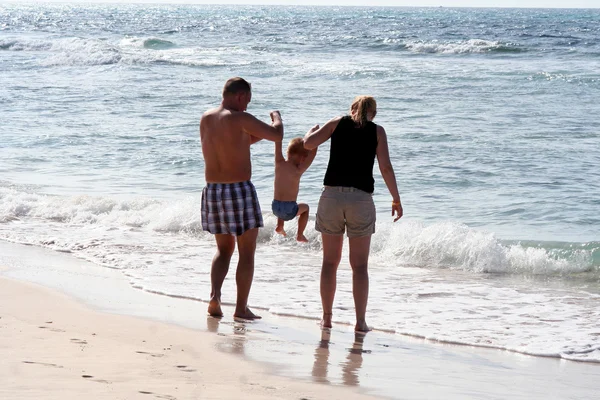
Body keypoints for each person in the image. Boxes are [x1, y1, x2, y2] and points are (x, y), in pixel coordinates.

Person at [303, 95, 403, 332]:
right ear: (373, 113)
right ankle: (360, 322)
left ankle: (327, 318)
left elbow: (308, 144)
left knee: (329, 262)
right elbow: (385, 167)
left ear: (352, 109)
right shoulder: (378, 132)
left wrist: (309, 132)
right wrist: (396, 198)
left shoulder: (337, 123)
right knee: (359, 267)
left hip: (331, 197)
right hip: (360, 200)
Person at [200, 77, 283, 320]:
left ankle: (215, 296)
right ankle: (240, 308)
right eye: (247, 100)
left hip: (213, 190)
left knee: (223, 250)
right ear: (239, 96)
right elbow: (277, 135)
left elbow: (238, 141)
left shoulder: (207, 118)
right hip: (238, 190)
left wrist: (255, 133)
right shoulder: (240, 118)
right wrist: (276, 117)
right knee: (247, 252)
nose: (247, 105)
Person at [272, 130, 318, 242]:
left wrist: (277, 123)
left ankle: (280, 226)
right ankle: (300, 234)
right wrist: (313, 135)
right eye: (304, 157)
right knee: (306, 208)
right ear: (300, 156)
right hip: (289, 209)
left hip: (275, 207)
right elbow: (313, 153)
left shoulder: (279, 163)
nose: (304, 160)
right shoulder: (298, 170)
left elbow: (277, 142)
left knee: (281, 200)